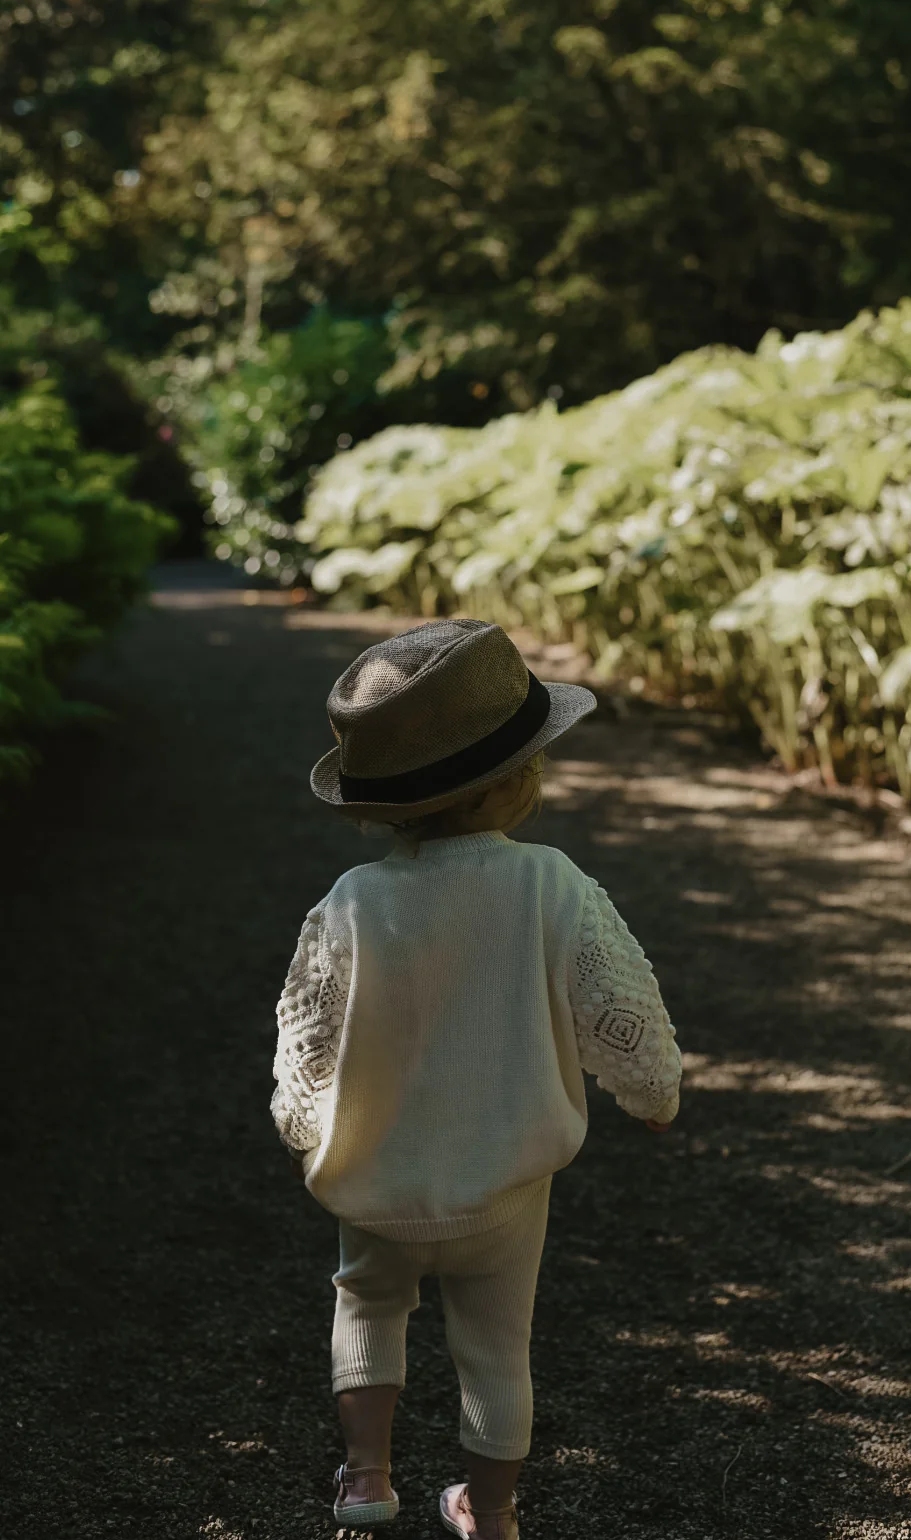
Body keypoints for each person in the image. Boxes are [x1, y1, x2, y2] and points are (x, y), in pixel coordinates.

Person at [271, 618, 682, 1539]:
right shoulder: (553, 886)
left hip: (374, 1177)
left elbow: (310, 1028)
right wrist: (653, 1094)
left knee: (369, 1305)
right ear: (518, 778)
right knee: (497, 1348)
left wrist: (300, 1122)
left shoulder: (352, 902)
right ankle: (489, 1513)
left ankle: (367, 1480)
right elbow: (617, 1008)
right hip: (506, 1184)